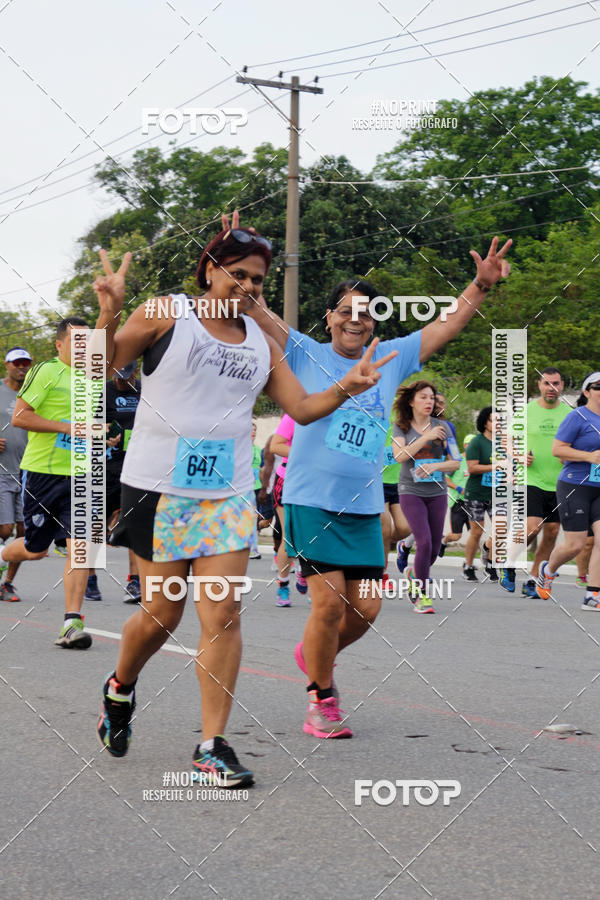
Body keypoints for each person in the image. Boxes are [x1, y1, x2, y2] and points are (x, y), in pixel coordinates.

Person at [92, 219, 392, 785]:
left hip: (225, 494)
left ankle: (212, 745)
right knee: (162, 613)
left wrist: (347, 388)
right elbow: (96, 369)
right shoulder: (165, 313)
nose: (248, 287)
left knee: (223, 613)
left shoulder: (263, 341)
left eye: (258, 280)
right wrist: (109, 313)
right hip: (158, 490)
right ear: (209, 270)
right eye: (238, 275)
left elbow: (302, 409)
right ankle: (120, 685)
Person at [249, 235, 511, 737]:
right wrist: (228, 249)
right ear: (328, 317)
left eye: (367, 314)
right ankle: (322, 698)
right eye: (346, 311)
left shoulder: (392, 355)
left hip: (365, 508)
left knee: (366, 608)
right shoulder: (301, 350)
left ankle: (315, 656)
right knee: (327, 604)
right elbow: (256, 307)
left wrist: (480, 285)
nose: (356, 320)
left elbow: (447, 323)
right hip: (310, 501)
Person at [1, 318, 95, 648]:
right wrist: (66, 427)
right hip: (44, 473)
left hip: (82, 473)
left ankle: (72, 622)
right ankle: (2, 556)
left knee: (80, 548)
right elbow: (20, 417)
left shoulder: (94, 377)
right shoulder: (46, 371)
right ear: (59, 345)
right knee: (35, 550)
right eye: (76, 341)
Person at [392, 381, 459, 612]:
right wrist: (425, 437)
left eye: (431, 397)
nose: (429, 401)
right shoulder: (400, 426)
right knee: (424, 541)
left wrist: (436, 466)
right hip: (410, 490)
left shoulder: (444, 427)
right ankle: (421, 596)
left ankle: (413, 574)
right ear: (411, 401)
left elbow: (456, 462)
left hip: (437, 491)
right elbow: (399, 456)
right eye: (423, 397)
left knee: (432, 548)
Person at [538, 373, 600, 609]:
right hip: (575, 484)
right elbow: (558, 450)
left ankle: (592, 595)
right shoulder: (578, 416)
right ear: (587, 392)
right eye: (598, 387)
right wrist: (588, 456)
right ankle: (549, 569)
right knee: (575, 544)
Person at [519, 367, 570, 598]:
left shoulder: (571, 413)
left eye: (556, 384)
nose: (552, 388)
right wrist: (519, 455)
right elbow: (507, 440)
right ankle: (505, 557)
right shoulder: (526, 411)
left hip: (560, 481)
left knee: (552, 531)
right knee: (533, 527)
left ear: (562, 386)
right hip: (532, 479)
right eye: (547, 383)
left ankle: (532, 578)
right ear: (539, 385)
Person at [105, 361, 142, 603]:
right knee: (97, 524)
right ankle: (89, 577)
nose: (120, 381)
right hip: (107, 465)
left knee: (134, 522)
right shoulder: (104, 392)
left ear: (135, 373)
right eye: (117, 376)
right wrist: (103, 431)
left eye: (125, 377)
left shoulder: (145, 391)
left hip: (139, 464)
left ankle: (135, 581)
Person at [0, 348, 31, 601]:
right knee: (4, 529)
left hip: (29, 471)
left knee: (23, 533)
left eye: (26, 363)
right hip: (1, 470)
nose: (21, 367)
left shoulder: (34, 392)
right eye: (17, 363)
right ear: (7, 364)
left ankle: (7, 583)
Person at [270, 414, 309, 604]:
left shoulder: (331, 414)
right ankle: (283, 586)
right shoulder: (294, 415)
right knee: (289, 536)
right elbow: (276, 445)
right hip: (288, 479)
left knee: (311, 534)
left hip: (315, 481)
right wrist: (304, 455)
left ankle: (305, 572)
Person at [463, 406, 495, 582]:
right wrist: (495, 466)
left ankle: (490, 561)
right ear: (484, 422)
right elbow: (472, 467)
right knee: (476, 531)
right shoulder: (477, 442)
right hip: (476, 492)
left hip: (497, 493)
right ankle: (468, 566)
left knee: (501, 528)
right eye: (492, 420)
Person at [380, 422, 410, 583]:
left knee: (405, 527)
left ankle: (377, 540)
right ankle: (382, 574)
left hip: (399, 481)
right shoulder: (380, 411)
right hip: (378, 480)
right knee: (384, 528)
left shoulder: (408, 418)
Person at [439, 433, 474, 556]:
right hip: (458, 502)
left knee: (477, 532)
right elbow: (445, 479)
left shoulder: (477, 462)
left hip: (473, 503)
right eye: (471, 445)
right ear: (465, 445)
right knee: (456, 536)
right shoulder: (457, 461)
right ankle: (443, 542)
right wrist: (459, 488)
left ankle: (472, 560)